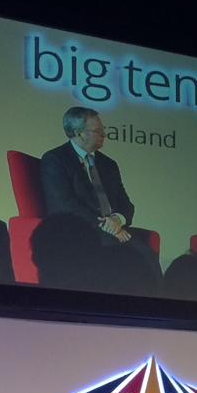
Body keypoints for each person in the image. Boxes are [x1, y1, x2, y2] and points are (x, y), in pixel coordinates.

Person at [40, 106, 161, 291]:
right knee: (122, 258)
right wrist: (106, 226)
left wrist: (117, 220)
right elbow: (64, 204)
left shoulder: (108, 164)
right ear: (79, 134)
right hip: (79, 232)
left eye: (103, 129)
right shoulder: (55, 159)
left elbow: (126, 204)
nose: (104, 134)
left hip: (113, 230)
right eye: (98, 130)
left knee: (148, 256)